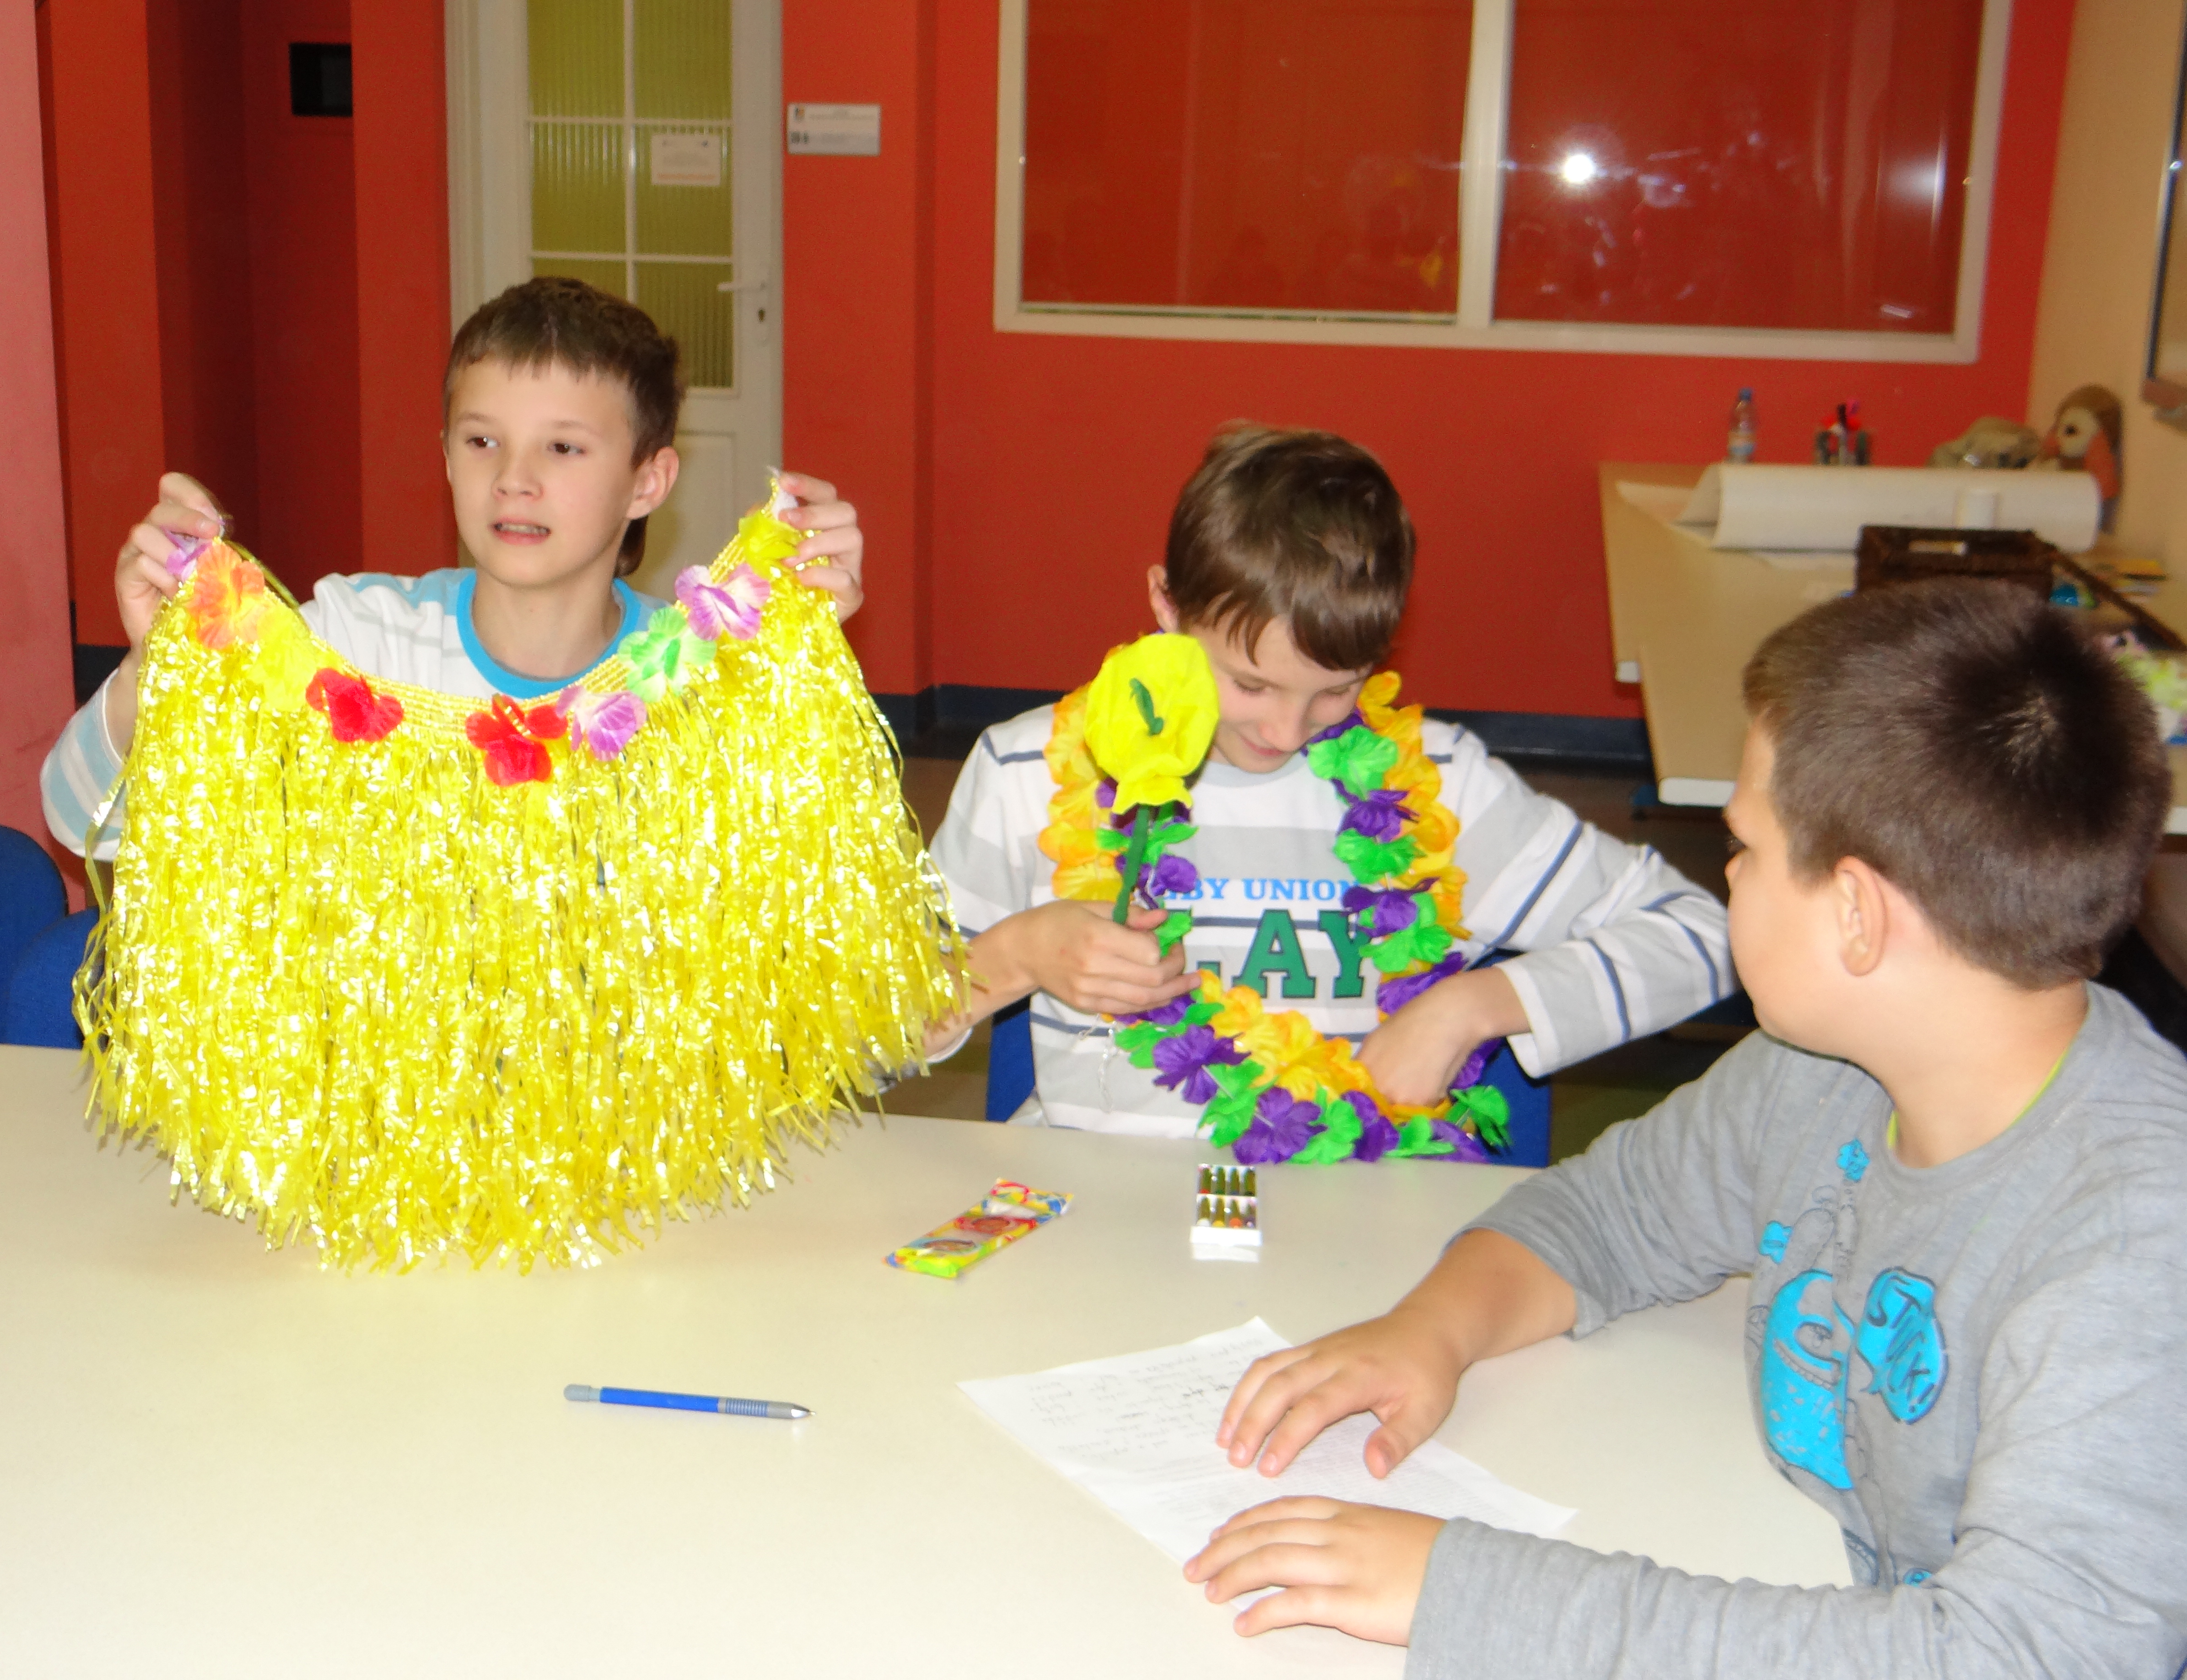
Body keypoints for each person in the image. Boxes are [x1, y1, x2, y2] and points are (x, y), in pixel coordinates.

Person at [1188, 579, 2187, 1677]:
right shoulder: (1828, 1068)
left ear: (1857, 915)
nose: (1730, 874)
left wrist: (1469, 1592)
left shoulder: (2135, 1248)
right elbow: (1605, 1216)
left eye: (1744, 847)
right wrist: (1430, 1332)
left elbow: (2019, 1658)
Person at [926, 425, 1732, 1132]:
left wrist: (1471, 1007)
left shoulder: (1438, 789)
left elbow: (1703, 937)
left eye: (1336, 691)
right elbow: (873, 1048)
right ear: (1168, 606)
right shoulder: (1028, 771)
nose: (1285, 733)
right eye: (1250, 684)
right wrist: (1015, 956)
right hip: (1102, 1209)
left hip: (1345, 1214)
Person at [42, 276, 865, 855]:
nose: (513, 478)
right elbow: (86, 825)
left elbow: (818, 915)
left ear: (647, 482)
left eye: (563, 448)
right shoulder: (355, 643)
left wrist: (802, 687)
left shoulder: (698, 682)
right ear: (445, 457)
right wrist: (156, 667)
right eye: (482, 441)